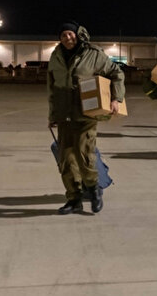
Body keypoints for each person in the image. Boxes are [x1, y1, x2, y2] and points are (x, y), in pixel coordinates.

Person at [48, 22, 124, 215]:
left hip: (86, 114)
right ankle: (73, 198)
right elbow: (52, 88)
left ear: (78, 34)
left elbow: (116, 73)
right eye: (63, 35)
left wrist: (116, 98)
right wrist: (53, 114)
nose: (67, 38)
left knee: (84, 156)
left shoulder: (93, 54)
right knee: (66, 159)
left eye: (70, 34)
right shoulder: (56, 56)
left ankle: (94, 188)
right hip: (64, 115)